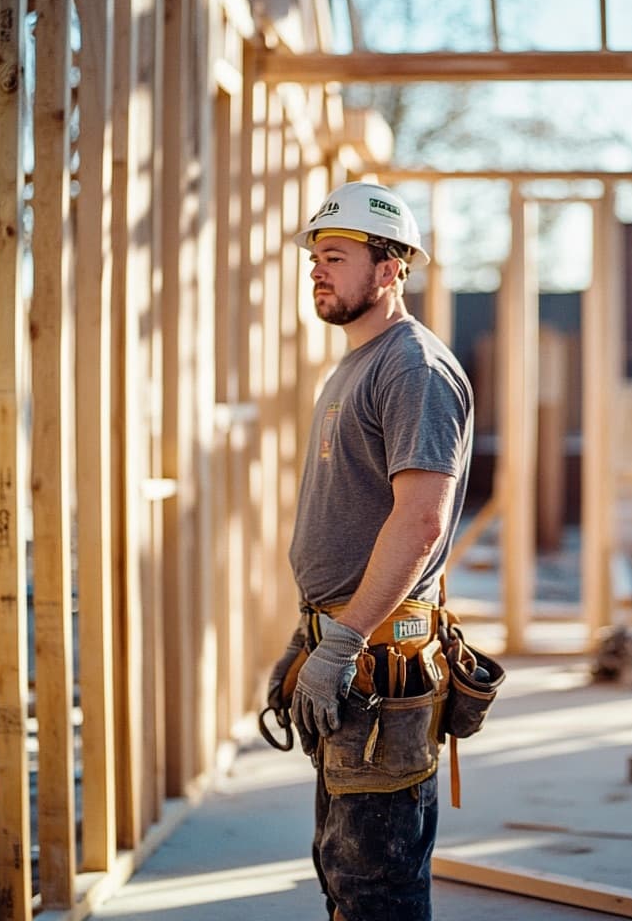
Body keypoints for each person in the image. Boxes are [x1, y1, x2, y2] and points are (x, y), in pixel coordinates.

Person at [266, 181, 474, 921]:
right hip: (351, 655)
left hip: (379, 672)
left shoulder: (412, 367)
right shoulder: (359, 361)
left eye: (334, 256)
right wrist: (311, 635)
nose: (315, 271)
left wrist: (341, 641)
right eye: (315, 258)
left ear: (389, 270)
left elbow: (421, 521)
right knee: (344, 872)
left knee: (375, 887)